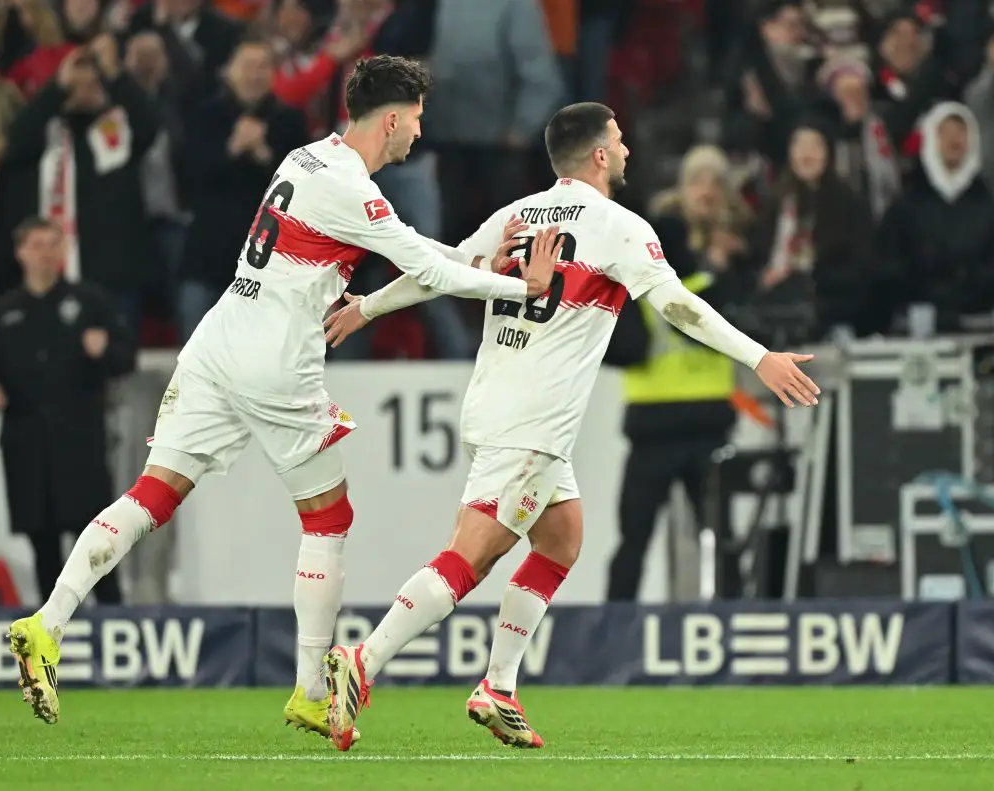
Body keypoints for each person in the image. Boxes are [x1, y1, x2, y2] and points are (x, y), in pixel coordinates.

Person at [4, 54, 559, 736]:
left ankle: (46, 621)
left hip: (218, 339)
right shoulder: (353, 188)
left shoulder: (305, 158)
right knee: (329, 516)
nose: (418, 134)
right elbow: (421, 264)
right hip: (274, 361)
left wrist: (477, 255)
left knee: (153, 493)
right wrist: (519, 287)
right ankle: (308, 689)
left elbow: (415, 249)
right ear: (389, 119)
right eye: (415, 121)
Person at [320, 102, 821, 751]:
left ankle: (498, 685)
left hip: (501, 404)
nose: (629, 151)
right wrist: (760, 356)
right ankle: (364, 659)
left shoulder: (516, 214)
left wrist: (368, 308)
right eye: (620, 139)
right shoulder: (617, 226)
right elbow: (674, 305)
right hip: (531, 419)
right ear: (602, 155)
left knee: (561, 539)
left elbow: (439, 267)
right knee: (470, 555)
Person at [0, 217, 134, 610]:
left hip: (79, 445)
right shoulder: (2, 313)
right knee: (42, 546)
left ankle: (117, 620)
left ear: (65, 250)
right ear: (21, 253)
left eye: (54, 244)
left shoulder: (89, 303)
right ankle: (54, 634)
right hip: (27, 445)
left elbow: (125, 358)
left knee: (96, 543)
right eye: (38, 245)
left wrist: (104, 351)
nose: (47, 253)